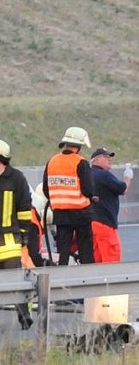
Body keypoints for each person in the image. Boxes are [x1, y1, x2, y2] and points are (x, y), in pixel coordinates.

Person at [42, 126, 95, 265]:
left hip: (60, 213)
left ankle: (62, 277)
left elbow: (46, 189)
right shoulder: (80, 162)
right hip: (81, 213)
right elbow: (88, 190)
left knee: (63, 249)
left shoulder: (52, 161)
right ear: (79, 146)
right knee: (85, 249)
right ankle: (87, 278)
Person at [0, 139, 34, 329]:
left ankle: (24, 315)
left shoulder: (16, 179)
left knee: (14, 280)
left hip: (10, 242)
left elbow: (24, 209)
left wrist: (24, 234)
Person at [89, 147, 133, 263]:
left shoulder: (87, 174)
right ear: (96, 160)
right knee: (111, 259)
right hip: (105, 224)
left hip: (91, 222)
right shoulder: (103, 175)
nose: (110, 159)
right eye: (106, 157)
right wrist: (127, 178)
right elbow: (122, 189)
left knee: (97, 259)